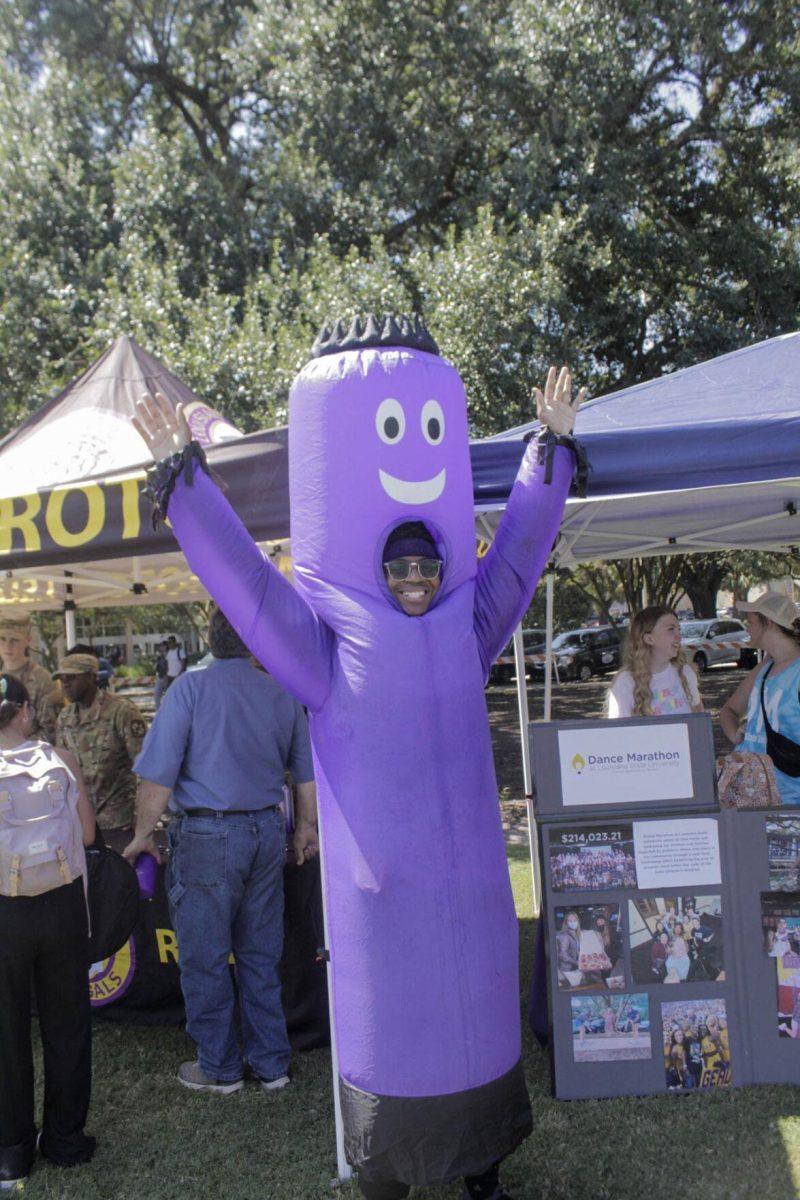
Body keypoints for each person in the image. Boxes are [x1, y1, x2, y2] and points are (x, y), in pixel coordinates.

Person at [123, 608, 319, 1094]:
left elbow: (157, 777)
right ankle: (272, 1064)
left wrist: (143, 833)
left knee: (206, 956)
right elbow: (306, 774)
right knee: (259, 952)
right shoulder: (280, 693)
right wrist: (306, 829)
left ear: (209, 639)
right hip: (266, 832)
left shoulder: (188, 689)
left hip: (209, 835)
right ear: (254, 642)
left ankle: (219, 1067)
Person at [0, 674, 97, 1188]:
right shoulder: (58, 759)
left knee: (7, 1031)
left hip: (4, 910)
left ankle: (11, 1152)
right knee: (66, 1024)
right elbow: (86, 833)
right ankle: (65, 1139)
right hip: (60, 903)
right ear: (22, 712)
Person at [54, 652, 147, 839]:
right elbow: (61, 770)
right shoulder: (65, 717)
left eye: (71, 677)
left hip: (119, 821)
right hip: (81, 823)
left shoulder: (121, 711)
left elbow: (146, 766)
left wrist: (142, 819)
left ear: (91, 677)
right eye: (62, 678)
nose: (65, 684)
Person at [720, 591, 800, 806]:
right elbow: (728, 711)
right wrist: (735, 735)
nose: (747, 627)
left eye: (751, 621)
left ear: (770, 622)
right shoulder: (764, 667)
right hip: (749, 793)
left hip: (789, 798)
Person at [606, 606, 703, 718]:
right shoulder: (625, 681)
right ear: (649, 639)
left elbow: (699, 715)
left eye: (679, 629)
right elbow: (618, 732)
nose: (679, 636)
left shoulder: (685, 671)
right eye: (671, 629)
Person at [0, 616, 61, 743]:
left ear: (28, 640)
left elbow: (50, 731)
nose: (7, 645)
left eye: (14, 640)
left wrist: (18, 746)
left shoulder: (42, 679)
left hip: (27, 755)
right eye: (2, 639)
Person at [555, 910, 582, 986]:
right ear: (566, 923)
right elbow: (562, 954)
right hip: (566, 970)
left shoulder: (575, 934)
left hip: (574, 968)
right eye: (570, 921)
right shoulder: (564, 936)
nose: (573, 922)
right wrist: (576, 962)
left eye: (574, 920)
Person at [153, 641, 169, 710]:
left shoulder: (170, 655)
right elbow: (157, 667)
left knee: (168, 695)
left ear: (166, 646)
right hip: (160, 676)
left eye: (163, 646)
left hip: (167, 677)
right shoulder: (160, 656)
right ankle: (158, 710)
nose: (161, 647)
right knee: (156, 694)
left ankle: (168, 709)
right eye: (160, 646)